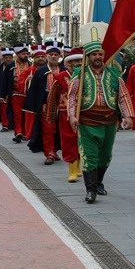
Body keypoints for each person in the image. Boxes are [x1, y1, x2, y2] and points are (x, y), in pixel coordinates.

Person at [68, 22, 134, 204]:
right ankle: (90, 191)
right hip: (87, 122)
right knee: (89, 155)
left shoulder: (114, 74)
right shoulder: (79, 74)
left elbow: (123, 96)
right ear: (88, 56)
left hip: (109, 122)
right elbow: (72, 96)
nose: (97, 57)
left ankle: (98, 182)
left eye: (100, 54)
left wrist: (128, 116)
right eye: (94, 54)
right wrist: (72, 116)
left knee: (105, 157)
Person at [25, 43, 64, 165]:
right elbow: (34, 90)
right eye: (51, 54)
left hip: (61, 105)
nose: (53, 57)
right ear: (47, 56)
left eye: (55, 55)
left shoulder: (64, 70)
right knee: (47, 129)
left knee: (59, 129)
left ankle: (55, 150)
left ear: (59, 56)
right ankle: (49, 153)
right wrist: (32, 107)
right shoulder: (41, 71)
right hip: (46, 104)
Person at [0, 44, 32, 143]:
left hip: (28, 95)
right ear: (17, 54)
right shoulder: (11, 66)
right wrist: (1, 95)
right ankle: (18, 133)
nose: (26, 56)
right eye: (23, 54)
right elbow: (4, 81)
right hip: (15, 94)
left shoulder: (30, 65)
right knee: (17, 115)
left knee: (26, 114)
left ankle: (25, 133)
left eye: (27, 54)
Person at [59, 48, 84, 182]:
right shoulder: (59, 77)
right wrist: (50, 115)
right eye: (76, 61)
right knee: (69, 141)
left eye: (81, 60)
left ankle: (78, 166)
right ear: (68, 63)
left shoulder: (87, 76)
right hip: (66, 114)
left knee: (82, 140)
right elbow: (53, 97)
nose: (79, 63)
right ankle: (72, 170)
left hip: (84, 113)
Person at [0, 48, 15, 132]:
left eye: (10, 57)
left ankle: (13, 125)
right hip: (2, 91)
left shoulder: (16, 67)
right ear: (3, 58)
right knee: (3, 109)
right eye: (6, 58)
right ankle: (5, 125)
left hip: (14, 91)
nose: (8, 59)